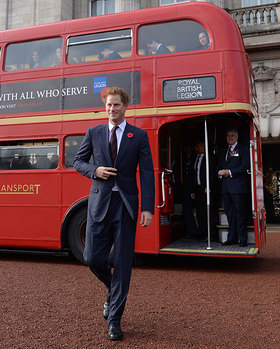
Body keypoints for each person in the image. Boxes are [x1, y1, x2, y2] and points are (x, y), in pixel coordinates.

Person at [74, 87, 155, 341]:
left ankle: (115, 320)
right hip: (99, 204)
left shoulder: (138, 136)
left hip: (126, 205)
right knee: (91, 257)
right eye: (109, 105)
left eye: (116, 105)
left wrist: (148, 208)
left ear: (126, 106)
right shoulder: (94, 132)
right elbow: (78, 161)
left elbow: (147, 172)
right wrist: (94, 170)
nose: (112, 109)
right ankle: (112, 289)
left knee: (122, 264)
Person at [217, 128, 250, 247]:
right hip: (226, 188)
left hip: (238, 188)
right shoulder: (224, 151)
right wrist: (220, 172)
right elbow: (219, 166)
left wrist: (229, 172)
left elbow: (245, 167)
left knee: (240, 214)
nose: (229, 138)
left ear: (237, 137)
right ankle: (231, 238)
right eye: (228, 136)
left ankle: (242, 239)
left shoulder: (244, 149)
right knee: (230, 215)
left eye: (232, 136)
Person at [190, 140, 217, 241]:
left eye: (203, 145)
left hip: (207, 189)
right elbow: (193, 175)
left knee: (208, 212)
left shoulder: (210, 158)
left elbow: (212, 173)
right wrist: (193, 190)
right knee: (200, 213)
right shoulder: (195, 158)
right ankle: (202, 233)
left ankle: (211, 235)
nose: (202, 147)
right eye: (200, 146)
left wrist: (209, 186)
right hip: (198, 189)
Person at [182, 144, 198, 238]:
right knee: (187, 210)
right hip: (185, 188)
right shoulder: (182, 158)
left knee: (198, 210)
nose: (187, 148)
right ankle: (191, 231)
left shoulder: (196, 157)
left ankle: (198, 231)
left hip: (196, 188)